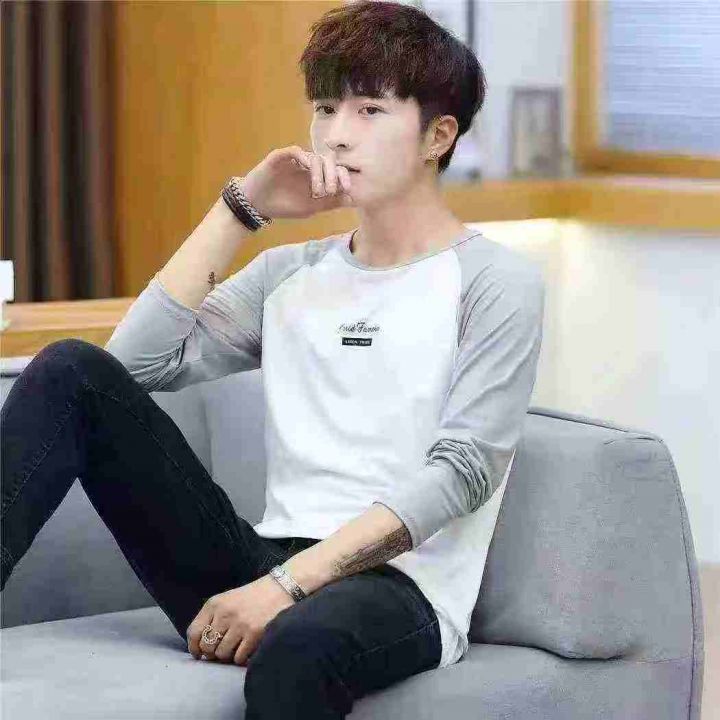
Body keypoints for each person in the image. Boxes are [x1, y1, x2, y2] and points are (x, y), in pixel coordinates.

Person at [0, 1, 545, 717]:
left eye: (370, 111)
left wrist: (285, 589)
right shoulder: (289, 274)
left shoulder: (495, 281)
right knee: (70, 369)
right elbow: (133, 370)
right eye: (325, 108)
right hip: (258, 561)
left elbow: (463, 473)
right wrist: (238, 209)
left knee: (299, 648)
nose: (337, 134)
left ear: (437, 136)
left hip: (396, 585)